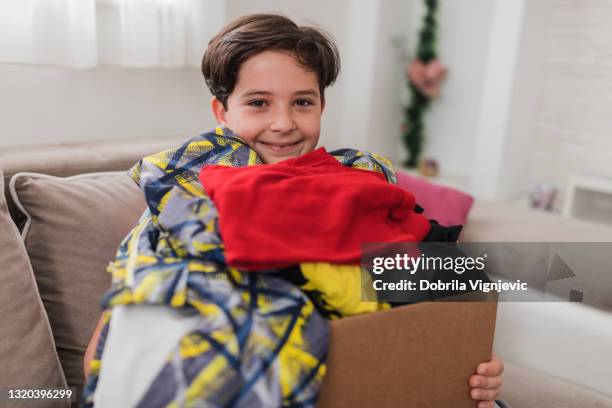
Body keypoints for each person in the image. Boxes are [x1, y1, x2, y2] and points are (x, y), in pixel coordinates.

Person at [84, 13, 504, 407]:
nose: (283, 123)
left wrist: (472, 366)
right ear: (222, 112)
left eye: (302, 102)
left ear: (322, 106)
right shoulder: (185, 197)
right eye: (259, 103)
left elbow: (435, 305)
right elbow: (107, 355)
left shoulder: (358, 184)